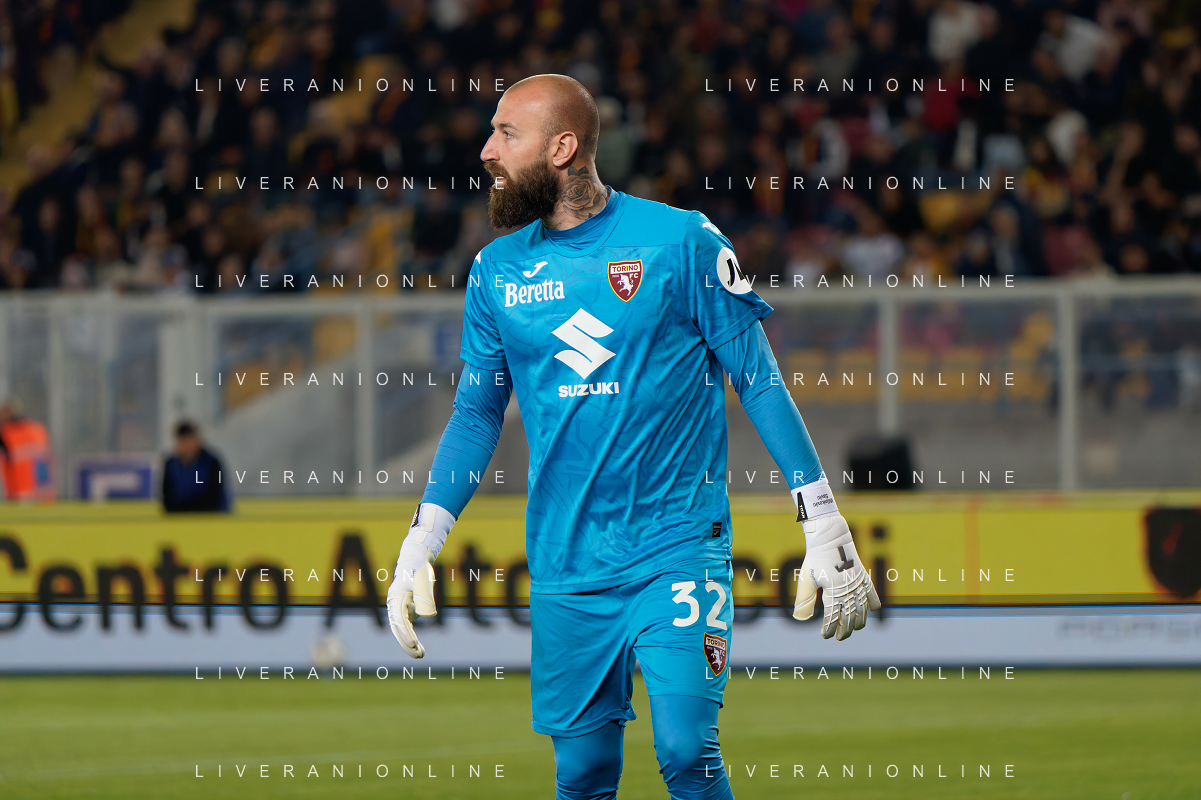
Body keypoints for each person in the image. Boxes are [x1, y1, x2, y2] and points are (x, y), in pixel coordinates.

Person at [385, 74, 879, 800]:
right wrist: (422, 540)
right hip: (566, 560)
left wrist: (823, 517)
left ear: (562, 147)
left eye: (506, 134)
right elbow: (476, 414)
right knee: (583, 772)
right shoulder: (495, 271)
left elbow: (758, 379)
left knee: (685, 749)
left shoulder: (680, 240)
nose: (487, 150)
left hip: (675, 544)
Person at [161, 421, 230, 512]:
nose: (186, 446)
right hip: (180, 516)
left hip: (210, 515)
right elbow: (167, 498)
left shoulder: (211, 463)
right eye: (182, 441)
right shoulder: (171, 464)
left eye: (189, 440)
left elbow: (215, 497)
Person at [0, 399, 55, 501]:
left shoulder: (6, 432)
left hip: (20, 494)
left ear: (7, 414)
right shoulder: (37, 428)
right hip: (43, 491)